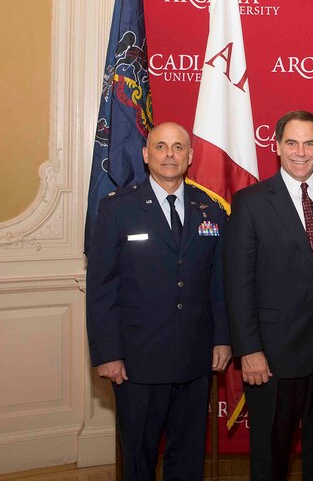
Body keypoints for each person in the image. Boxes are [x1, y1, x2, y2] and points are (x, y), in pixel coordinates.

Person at [86, 122, 232, 481]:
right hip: (137, 361)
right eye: (161, 147)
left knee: (188, 458)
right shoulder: (117, 209)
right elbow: (101, 287)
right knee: (139, 458)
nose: (170, 155)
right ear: (145, 154)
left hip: (194, 358)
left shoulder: (210, 210)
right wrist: (107, 353)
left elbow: (218, 282)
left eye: (178, 147)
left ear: (191, 156)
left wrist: (223, 337)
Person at [224, 110, 313, 480]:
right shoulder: (250, 202)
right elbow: (238, 283)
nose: (301, 151)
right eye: (292, 142)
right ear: (277, 145)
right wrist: (248, 350)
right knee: (270, 455)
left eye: (310, 143)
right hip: (272, 358)